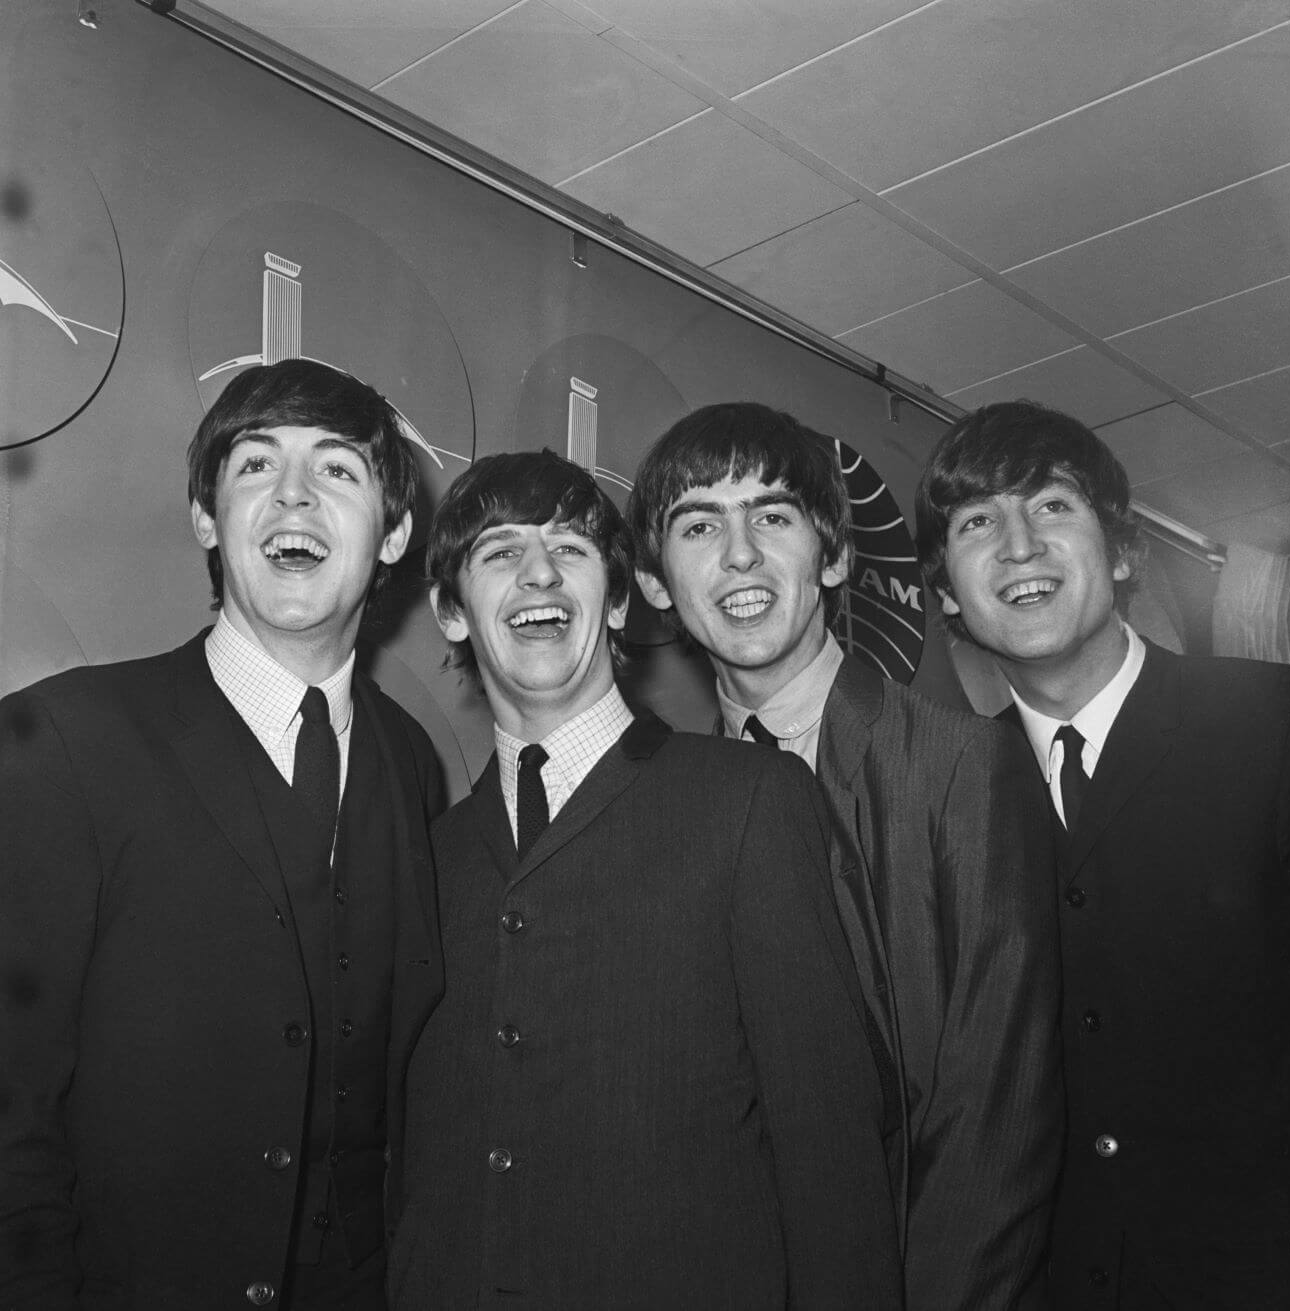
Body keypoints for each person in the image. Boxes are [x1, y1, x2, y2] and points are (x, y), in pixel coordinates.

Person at [388, 449, 902, 1310]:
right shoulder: (424, 859)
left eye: (573, 549)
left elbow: (832, 1153)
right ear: (449, 610)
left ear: (620, 600)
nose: (539, 572)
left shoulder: (750, 802)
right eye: (500, 552)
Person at [0, 359, 445, 1311]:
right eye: (255, 465)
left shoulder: (410, 763)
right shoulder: (65, 741)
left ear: (396, 532)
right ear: (208, 516)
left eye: (337, 469)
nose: (293, 494)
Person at [628, 401, 1062, 1311]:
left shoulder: (962, 765)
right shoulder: (667, 804)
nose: (739, 555)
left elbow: (994, 1116)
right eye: (699, 524)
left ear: (833, 555)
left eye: (773, 517)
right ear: (656, 582)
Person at [915, 398, 1290, 1308]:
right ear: (943, 595)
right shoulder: (951, 799)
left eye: (1051, 506)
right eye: (978, 523)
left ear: (1123, 552)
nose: (1017, 546)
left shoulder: (1278, 725)